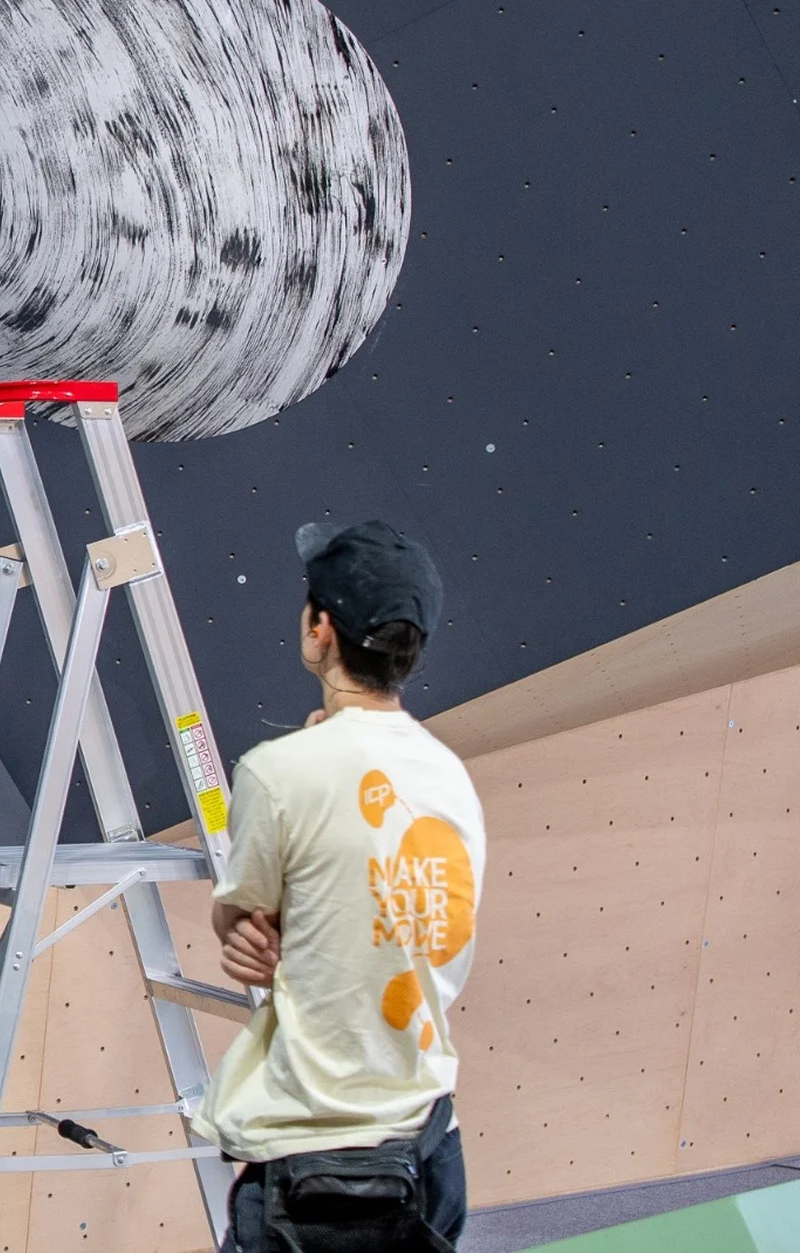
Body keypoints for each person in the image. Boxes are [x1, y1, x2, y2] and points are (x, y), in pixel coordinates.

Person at [192, 520, 484, 1252]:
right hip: (427, 1145)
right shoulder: (449, 777)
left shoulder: (277, 772)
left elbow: (247, 922)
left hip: (310, 1159)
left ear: (321, 629)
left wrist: (259, 936)